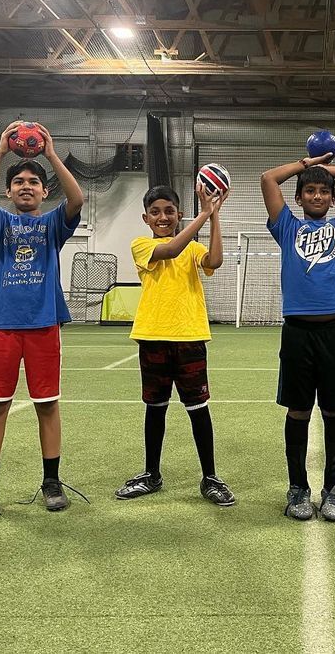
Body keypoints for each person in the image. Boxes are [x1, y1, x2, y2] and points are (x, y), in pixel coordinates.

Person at [0, 121, 85, 522]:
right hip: (3, 326)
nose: (27, 187)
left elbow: (78, 198)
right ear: (9, 190)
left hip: (43, 325)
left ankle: (51, 482)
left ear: (43, 190)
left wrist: (51, 153)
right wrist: (0, 151)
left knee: (47, 405)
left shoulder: (51, 225)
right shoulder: (1, 222)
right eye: (19, 183)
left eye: (34, 182)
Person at [261, 151, 335, 522]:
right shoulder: (286, 227)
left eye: (323, 191)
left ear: (332, 197)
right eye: (309, 191)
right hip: (297, 333)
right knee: (298, 410)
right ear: (299, 198)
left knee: (334, 410)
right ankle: (297, 489)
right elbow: (268, 179)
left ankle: (334, 489)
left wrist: (326, 170)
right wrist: (307, 165)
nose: (317, 196)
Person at [115, 183, 235, 508]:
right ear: (146, 217)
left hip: (190, 338)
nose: (163, 217)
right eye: (155, 212)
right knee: (155, 409)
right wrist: (204, 213)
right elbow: (170, 250)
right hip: (153, 337)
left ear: (179, 214)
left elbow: (217, 260)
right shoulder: (141, 245)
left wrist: (214, 218)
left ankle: (210, 477)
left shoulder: (193, 248)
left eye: (169, 211)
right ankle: (151, 474)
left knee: (198, 410)